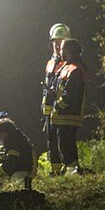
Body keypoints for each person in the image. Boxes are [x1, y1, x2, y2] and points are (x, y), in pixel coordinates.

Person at [50, 37, 87, 175]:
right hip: (63, 115)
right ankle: (69, 167)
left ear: (70, 51)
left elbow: (70, 95)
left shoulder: (75, 70)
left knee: (67, 143)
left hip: (69, 114)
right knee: (63, 142)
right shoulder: (67, 67)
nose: (60, 51)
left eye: (63, 48)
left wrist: (58, 105)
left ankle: (73, 168)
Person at [42, 23, 70, 173]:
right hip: (49, 110)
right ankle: (55, 171)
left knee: (63, 141)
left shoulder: (70, 63)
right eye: (55, 42)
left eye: (61, 42)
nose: (58, 46)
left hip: (62, 109)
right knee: (51, 141)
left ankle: (67, 168)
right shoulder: (50, 63)